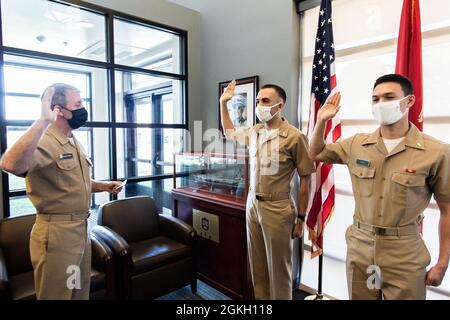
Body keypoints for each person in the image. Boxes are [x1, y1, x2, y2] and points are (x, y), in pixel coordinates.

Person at [309, 74, 450, 299]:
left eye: (389, 97)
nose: (381, 103)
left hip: (404, 253)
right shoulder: (357, 144)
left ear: (409, 101)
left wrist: (443, 263)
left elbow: (447, 210)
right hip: (361, 247)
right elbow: (315, 153)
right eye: (375, 99)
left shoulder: (436, 151)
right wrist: (321, 122)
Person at [0, 83, 124, 300]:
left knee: (77, 291)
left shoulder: (73, 140)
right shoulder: (45, 140)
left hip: (80, 231)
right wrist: (42, 121)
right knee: (58, 295)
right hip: (57, 235)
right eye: (78, 104)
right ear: (58, 110)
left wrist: (103, 186)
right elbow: (10, 164)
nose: (83, 108)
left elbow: (74, 180)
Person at [220, 80, 315, 300]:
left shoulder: (295, 137)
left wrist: (301, 218)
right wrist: (224, 103)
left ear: (280, 106)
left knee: (279, 271)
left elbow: (306, 180)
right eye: (257, 101)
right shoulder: (256, 131)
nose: (259, 105)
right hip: (253, 205)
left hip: (278, 207)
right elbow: (229, 132)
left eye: (265, 101)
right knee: (258, 268)